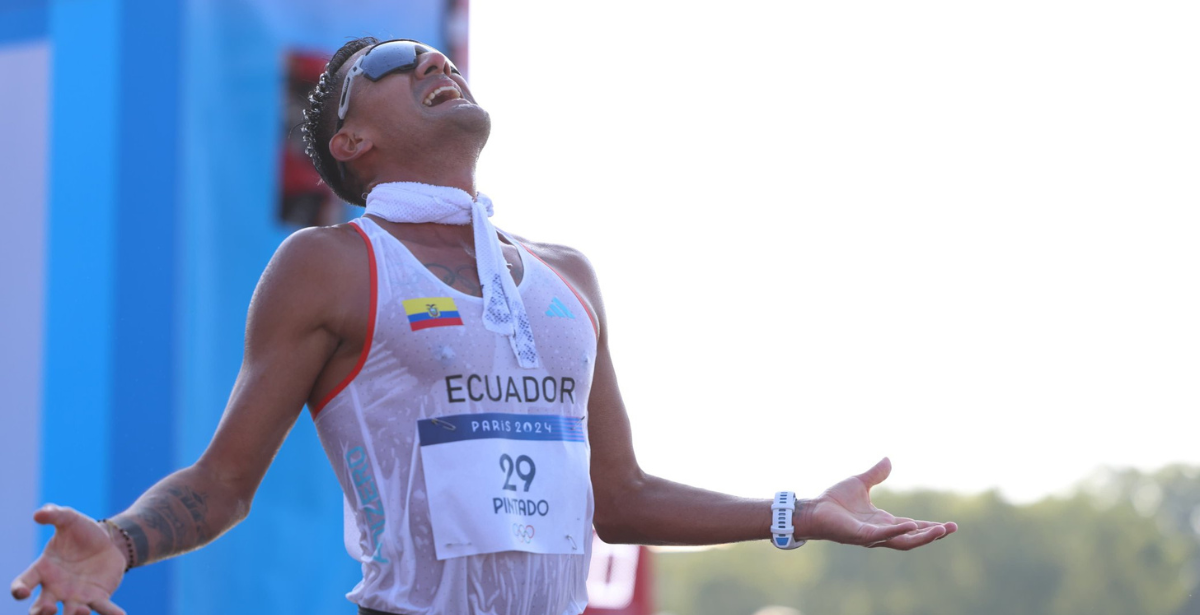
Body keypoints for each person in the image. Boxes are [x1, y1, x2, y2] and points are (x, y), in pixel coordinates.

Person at [10, 37, 957, 615]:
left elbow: (615, 496)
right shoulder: (330, 265)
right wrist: (124, 541)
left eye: (437, 54)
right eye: (389, 63)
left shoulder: (566, 272)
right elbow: (222, 485)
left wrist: (798, 515)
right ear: (353, 143)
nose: (432, 59)